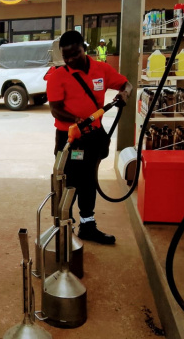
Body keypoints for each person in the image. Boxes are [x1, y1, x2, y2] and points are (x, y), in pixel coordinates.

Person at [46, 30, 131, 244]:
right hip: (70, 138)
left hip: (93, 136)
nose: (70, 60)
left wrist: (124, 94)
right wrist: (79, 120)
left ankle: (87, 225)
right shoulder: (57, 76)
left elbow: (126, 84)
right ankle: (65, 226)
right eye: (66, 56)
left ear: (84, 49)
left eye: (75, 54)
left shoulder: (101, 70)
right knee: (68, 181)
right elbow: (55, 109)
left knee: (88, 180)